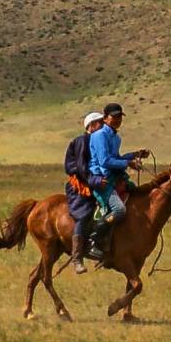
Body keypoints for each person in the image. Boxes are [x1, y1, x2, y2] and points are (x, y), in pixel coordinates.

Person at [84, 102, 150, 254]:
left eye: (120, 116)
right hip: (103, 179)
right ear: (105, 118)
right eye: (115, 116)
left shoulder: (116, 138)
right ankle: (93, 239)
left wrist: (134, 154)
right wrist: (128, 163)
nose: (118, 119)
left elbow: (116, 158)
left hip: (114, 176)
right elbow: (105, 161)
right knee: (119, 210)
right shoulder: (99, 135)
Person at [64, 109, 104, 272]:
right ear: (92, 126)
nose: (103, 127)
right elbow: (80, 168)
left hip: (95, 182)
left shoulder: (98, 141)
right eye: (100, 124)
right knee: (84, 214)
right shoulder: (82, 141)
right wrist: (94, 180)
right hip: (81, 186)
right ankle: (77, 258)